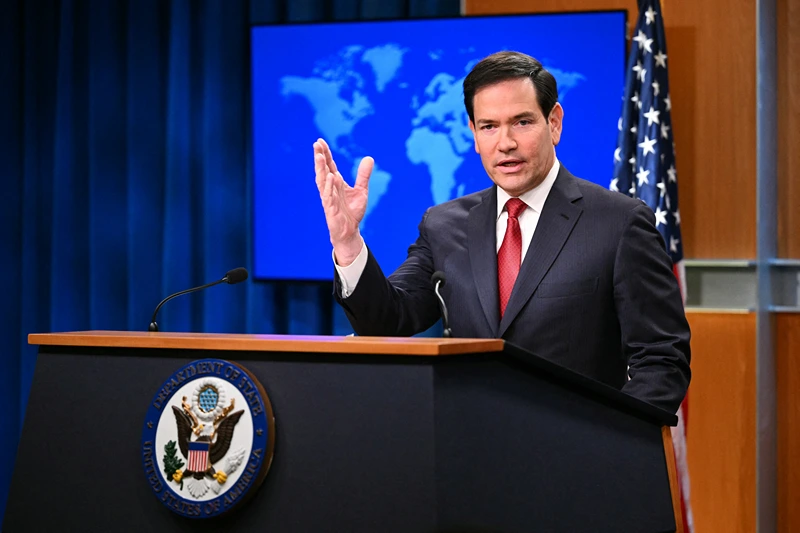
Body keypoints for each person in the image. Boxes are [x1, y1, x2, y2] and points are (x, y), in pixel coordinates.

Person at [313, 51, 690, 414]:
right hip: (470, 445)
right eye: (489, 126)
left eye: (522, 122)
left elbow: (662, 359)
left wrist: (610, 437)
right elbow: (387, 322)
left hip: (578, 448)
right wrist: (347, 242)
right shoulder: (443, 225)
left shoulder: (619, 223)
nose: (505, 143)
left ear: (554, 123)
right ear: (474, 135)